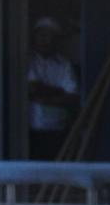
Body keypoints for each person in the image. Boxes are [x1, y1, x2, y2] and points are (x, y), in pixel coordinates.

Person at [26, 17, 79, 161]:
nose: (45, 40)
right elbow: (32, 88)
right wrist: (59, 91)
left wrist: (43, 98)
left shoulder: (64, 64)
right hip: (32, 128)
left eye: (50, 36)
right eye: (42, 35)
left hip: (58, 128)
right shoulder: (27, 61)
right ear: (34, 37)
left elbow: (72, 96)